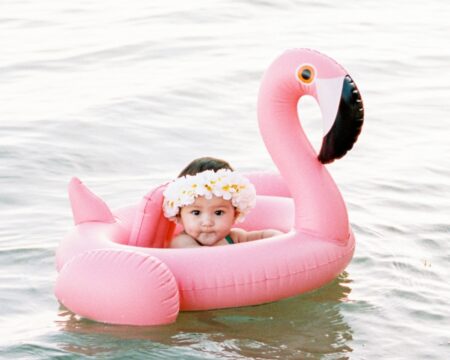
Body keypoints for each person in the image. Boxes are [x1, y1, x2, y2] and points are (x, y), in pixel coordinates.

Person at [163, 157, 282, 248]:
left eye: (219, 212)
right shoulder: (183, 242)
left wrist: (281, 239)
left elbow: (266, 236)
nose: (207, 222)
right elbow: (202, 261)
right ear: (179, 216)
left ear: (235, 215)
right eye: (196, 212)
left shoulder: (235, 237)